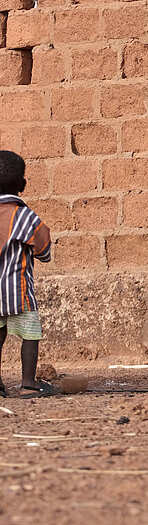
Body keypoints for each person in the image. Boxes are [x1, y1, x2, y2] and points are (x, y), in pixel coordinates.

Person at [0, 151, 58, 398]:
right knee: (30, 334)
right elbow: (43, 249)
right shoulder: (24, 216)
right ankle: (28, 384)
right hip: (18, 291)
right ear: (22, 185)